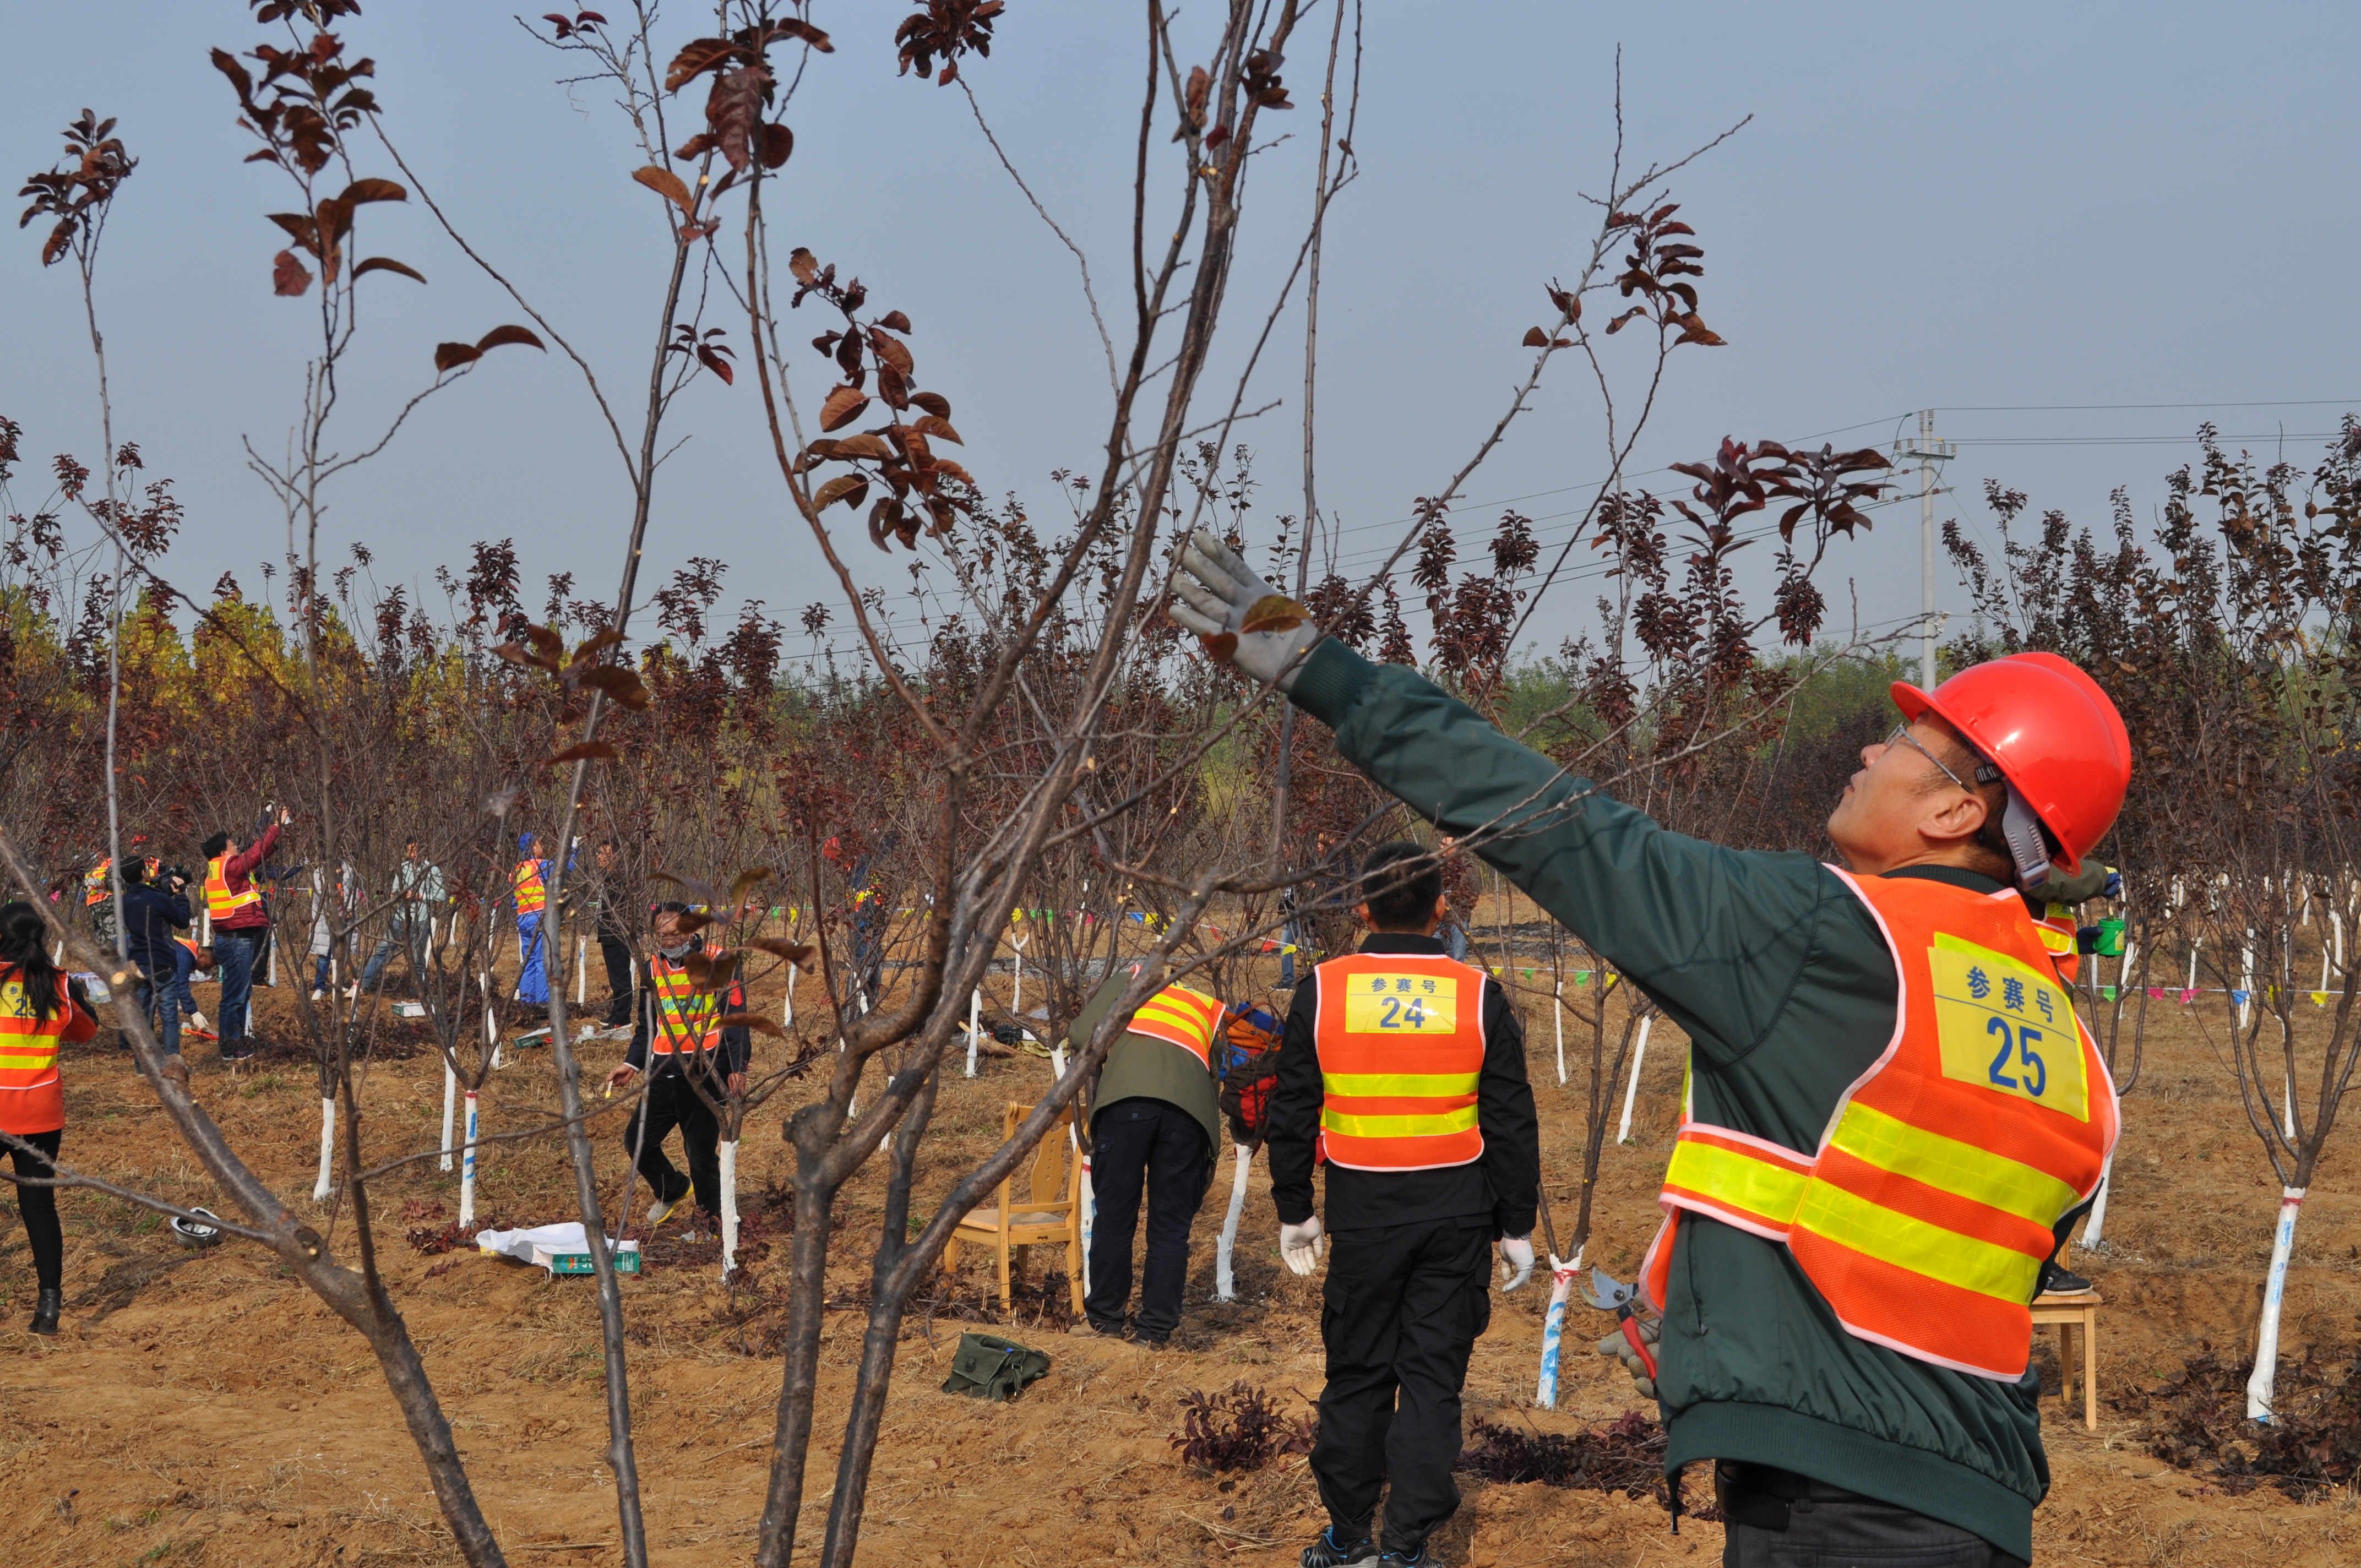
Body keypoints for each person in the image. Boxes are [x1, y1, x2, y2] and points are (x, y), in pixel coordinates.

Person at [1174, 533, 2126, 1568]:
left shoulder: (1831, 936)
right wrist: (1714, 1317)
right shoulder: (2064, 1043)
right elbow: (1911, 1231)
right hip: (1979, 1501)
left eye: (1903, 739)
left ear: (1957, 808)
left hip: (1839, 1508)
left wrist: (1325, 672)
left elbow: (1562, 828)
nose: (1867, 751)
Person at [1261, 840, 1540, 1568]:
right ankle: (1406, 1548)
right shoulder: (1477, 994)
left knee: (1358, 1375)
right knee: (1430, 1382)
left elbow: (1292, 1109)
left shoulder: (1323, 989)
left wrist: (1295, 1208)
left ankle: (1350, 1538)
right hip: (1458, 1217)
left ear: (1360, 909)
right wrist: (1516, 1224)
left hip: (1364, 1215)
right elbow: (1511, 1119)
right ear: (1441, 908)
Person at [1063, 963, 1225, 1345]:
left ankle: (1105, 1322)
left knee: (1115, 1218)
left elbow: (1083, 1035)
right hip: (1189, 1117)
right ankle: (1154, 1332)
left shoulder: (1131, 979)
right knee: (1170, 1228)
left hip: (1127, 1104)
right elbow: (1214, 1073)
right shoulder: (1202, 1004)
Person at [602, 902, 749, 1224]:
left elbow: (737, 1018)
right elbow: (648, 1026)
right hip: (663, 1069)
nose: (669, 941)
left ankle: (712, 1223)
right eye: (662, 935)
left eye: (675, 934)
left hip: (705, 1070)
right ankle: (672, 1188)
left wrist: (738, 1066)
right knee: (637, 1142)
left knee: (699, 1155)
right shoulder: (652, 968)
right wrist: (632, 1064)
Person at [0, 901, 100, 1334]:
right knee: (39, 1208)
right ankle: (48, 1309)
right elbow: (87, 1031)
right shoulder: (57, 983)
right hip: (41, 1115)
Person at [203, 806, 287, 1062]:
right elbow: (255, 855)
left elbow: (258, 855)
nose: (237, 847)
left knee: (241, 993)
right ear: (223, 852)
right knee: (234, 997)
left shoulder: (218, 868)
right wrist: (276, 826)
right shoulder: (228, 866)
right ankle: (231, 1047)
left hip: (233, 939)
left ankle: (237, 1040)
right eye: (232, 845)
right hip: (236, 940)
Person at [117, 859, 193, 1060]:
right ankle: (172, 1062)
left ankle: (144, 1066)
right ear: (144, 873)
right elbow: (183, 921)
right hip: (162, 962)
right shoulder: (158, 898)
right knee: (169, 1018)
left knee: (142, 1018)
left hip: (137, 963)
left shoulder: (123, 901)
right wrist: (180, 895)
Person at [356, 840, 446, 995]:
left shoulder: (432, 870)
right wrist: (399, 896)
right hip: (400, 918)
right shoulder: (403, 869)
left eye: (417, 849)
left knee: (417, 959)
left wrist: (420, 896)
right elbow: (394, 892)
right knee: (382, 950)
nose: (414, 853)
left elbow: (442, 895)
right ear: (406, 853)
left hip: (421, 920)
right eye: (411, 850)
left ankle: (415, 993)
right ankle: (362, 985)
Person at [589, 840, 638, 1030]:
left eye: (603, 853)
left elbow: (626, 911)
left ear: (615, 856)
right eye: (598, 853)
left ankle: (622, 1018)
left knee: (621, 977)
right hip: (608, 934)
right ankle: (617, 1012)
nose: (599, 857)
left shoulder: (620, 880)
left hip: (617, 935)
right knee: (615, 978)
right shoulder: (608, 878)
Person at [512, 834, 552, 1008]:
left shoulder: (516, 871)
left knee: (528, 962)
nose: (543, 846)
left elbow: (513, 901)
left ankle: (527, 1003)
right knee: (543, 961)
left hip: (523, 919)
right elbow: (565, 869)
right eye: (540, 843)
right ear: (533, 849)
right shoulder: (541, 866)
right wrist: (573, 850)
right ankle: (542, 1003)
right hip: (540, 918)